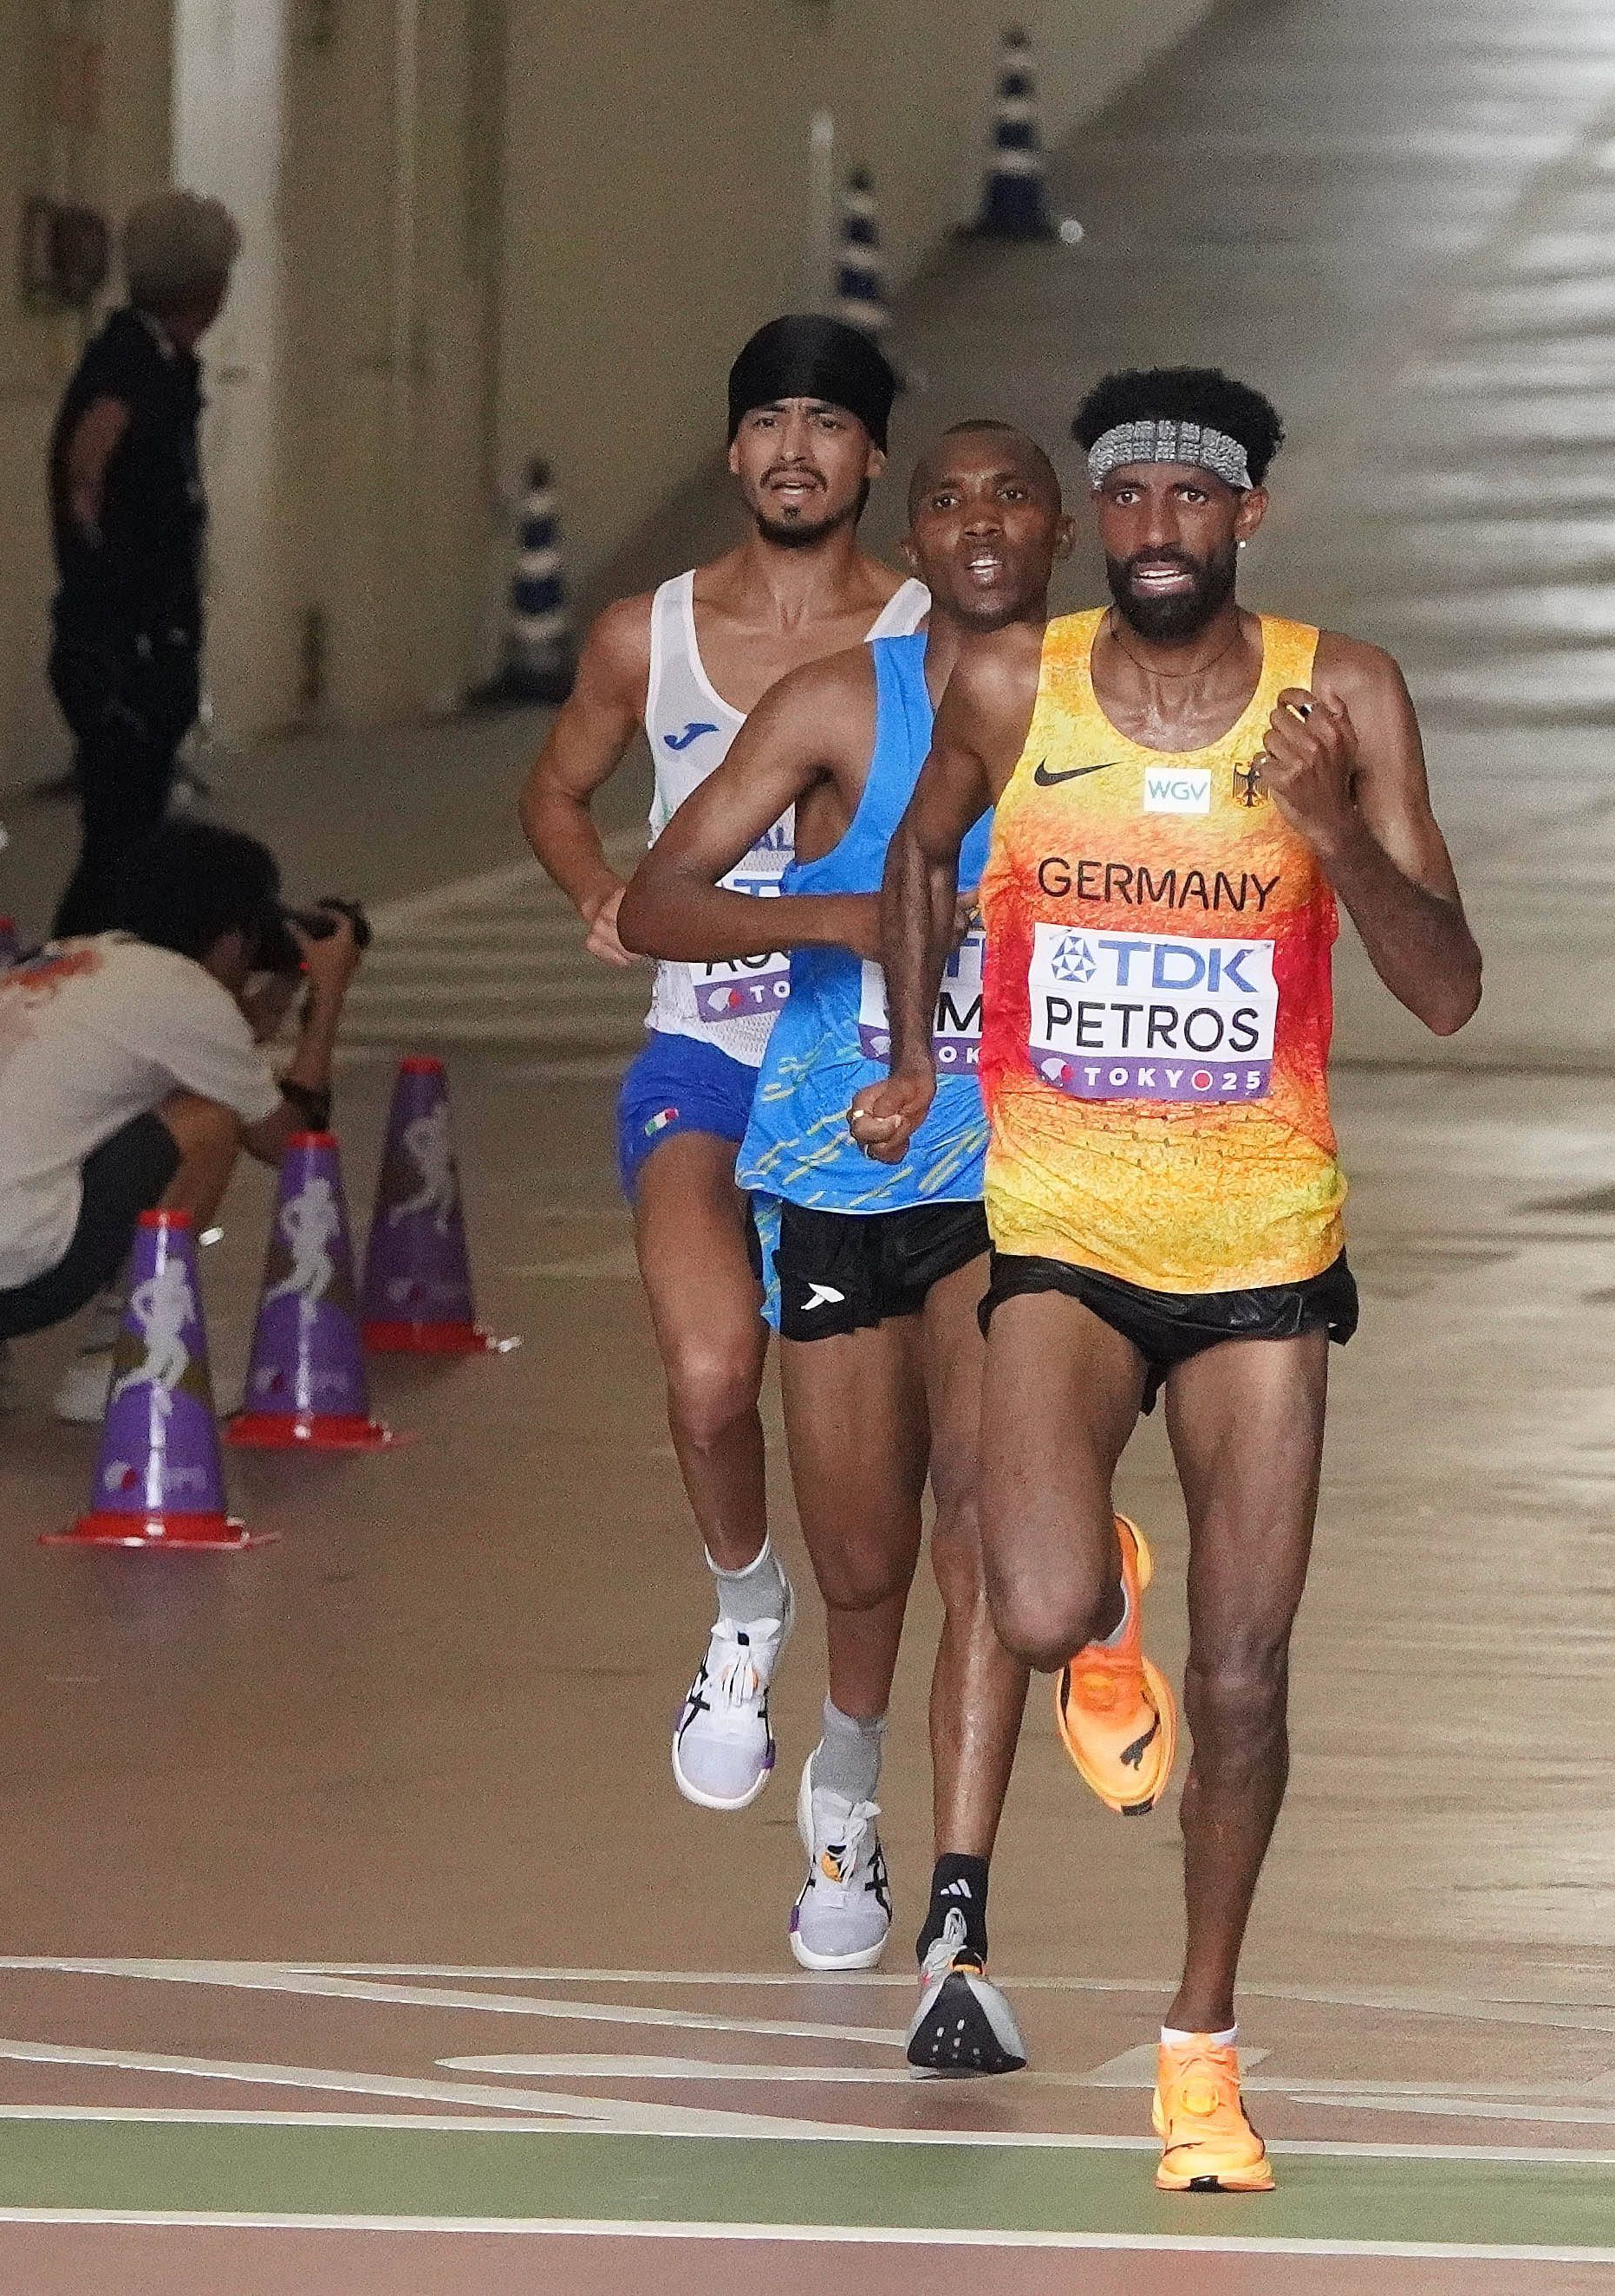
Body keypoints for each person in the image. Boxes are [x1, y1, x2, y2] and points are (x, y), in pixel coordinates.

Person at [852, 368, 1482, 2192]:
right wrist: (912, 1050)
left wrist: (1335, 827)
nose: (1150, 530)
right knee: (1037, 1606)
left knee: (1249, 1677)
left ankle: (1199, 2047)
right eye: (1122, 498)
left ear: (1246, 519)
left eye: (1189, 501)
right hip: (1062, 1227)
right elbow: (914, 850)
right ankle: (1093, 1593)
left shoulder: (1341, 693)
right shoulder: (1009, 677)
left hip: (1264, 1250)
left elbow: (1446, 988)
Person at [621, 420, 1068, 2066]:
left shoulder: (1103, 712)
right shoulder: (833, 706)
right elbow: (659, 898)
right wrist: (844, 912)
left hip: (1020, 1183)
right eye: (946, 497)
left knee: (980, 1530)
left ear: (1061, 530)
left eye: (1009, 493)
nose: (977, 523)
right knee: (866, 1556)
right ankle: (844, 1777)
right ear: (917, 532)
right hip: (829, 1170)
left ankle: (959, 1914)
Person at [517, 316, 928, 1816]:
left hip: (877, 1080)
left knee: (875, 1482)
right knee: (705, 1372)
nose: (793, 449)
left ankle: (854, 1775)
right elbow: (557, 790)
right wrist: (596, 896)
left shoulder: (928, 633)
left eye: (828, 421)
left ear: (872, 455)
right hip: (702, 1047)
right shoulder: (649, 633)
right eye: (766, 419)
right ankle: (743, 1615)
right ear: (730, 445)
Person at [0, 819, 360, 1421]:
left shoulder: (52, 961)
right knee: (211, 1120)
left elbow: (195, 1039)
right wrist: (328, 996)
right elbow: (291, 1144)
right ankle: (118, 1358)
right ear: (231, 941)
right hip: (9, 1279)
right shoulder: (184, 993)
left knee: (70, 1110)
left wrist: (277, 994)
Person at [48, 189, 241, 939]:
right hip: (120, 646)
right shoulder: (129, 362)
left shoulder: (162, 361)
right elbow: (86, 465)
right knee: (118, 844)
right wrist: (111, 577)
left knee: (132, 831)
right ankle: (68, 973)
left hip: (146, 641)